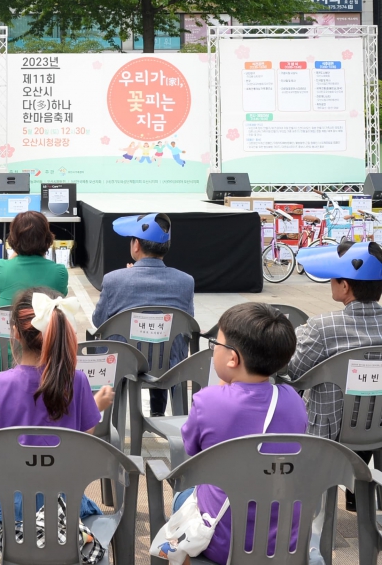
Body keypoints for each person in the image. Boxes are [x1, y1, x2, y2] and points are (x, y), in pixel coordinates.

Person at [0, 290, 114, 527]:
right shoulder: (77, 382)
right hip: (62, 500)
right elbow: (82, 438)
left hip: (7, 502)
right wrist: (95, 405)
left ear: (16, 333)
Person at [162, 303, 306, 565]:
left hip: (224, 542)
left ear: (233, 358)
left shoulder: (208, 401)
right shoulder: (294, 401)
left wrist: (219, 390)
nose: (213, 349)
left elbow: (192, 451)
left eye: (216, 344)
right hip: (284, 539)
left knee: (183, 496)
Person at [286, 241, 382, 507]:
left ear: (345, 286)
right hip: (379, 426)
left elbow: (292, 372)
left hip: (330, 430)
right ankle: (358, 497)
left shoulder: (322, 328)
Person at [92, 213, 194, 417]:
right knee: (163, 343)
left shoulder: (114, 279)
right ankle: (158, 412)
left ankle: (106, 416)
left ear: (136, 245)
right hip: (169, 365)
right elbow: (187, 323)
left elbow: (98, 321)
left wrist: (126, 278)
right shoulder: (186, 281)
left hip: (122, 363)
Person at [0, 211, 69, 370]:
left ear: (12, 239)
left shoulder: (1, 268)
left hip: (5, 352)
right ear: (48, 239)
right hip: (47, 353)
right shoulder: (59, 272)